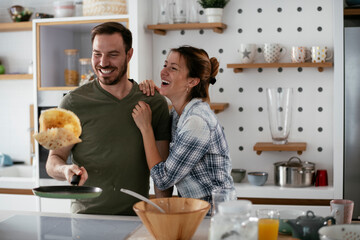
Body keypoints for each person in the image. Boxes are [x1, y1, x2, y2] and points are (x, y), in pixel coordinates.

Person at [45, 22, 172, 215]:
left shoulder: (154, 103)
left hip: (137, 219)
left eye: (113, 55)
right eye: (97, 54)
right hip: (86, 221)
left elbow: (162, 174)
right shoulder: (72, 103)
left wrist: (165, 221)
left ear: (129, 55)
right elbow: (54, 159)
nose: (103, 63)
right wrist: (65, 170)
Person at [132, 45, 234, 206]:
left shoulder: (196, 122)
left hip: (215, 217)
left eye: (173, 68)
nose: (163, 72)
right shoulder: (178, 116)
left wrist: (146, 128)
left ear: (192, 81)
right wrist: (151, 95)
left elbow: (163, 179)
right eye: (165, 65)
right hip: (199, 213)